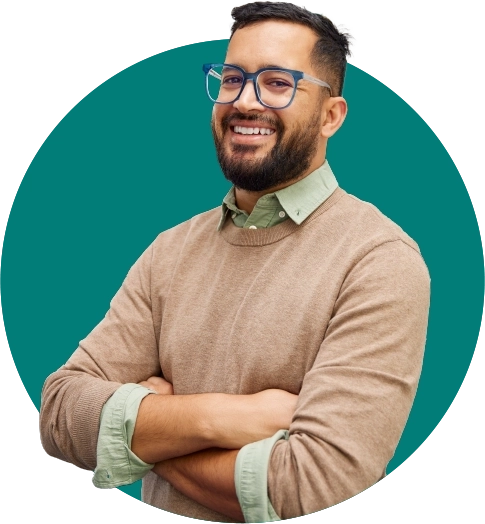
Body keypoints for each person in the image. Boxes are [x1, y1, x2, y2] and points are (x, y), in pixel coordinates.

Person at [39, 1, 431, 522]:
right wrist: (224, 418)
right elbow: (61, 414)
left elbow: (310, 484)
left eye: (277, 83)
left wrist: (146, 432)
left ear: (331, 116)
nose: (245, 101)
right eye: (231, 79)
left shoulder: (378, 262)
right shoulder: (170, 250)